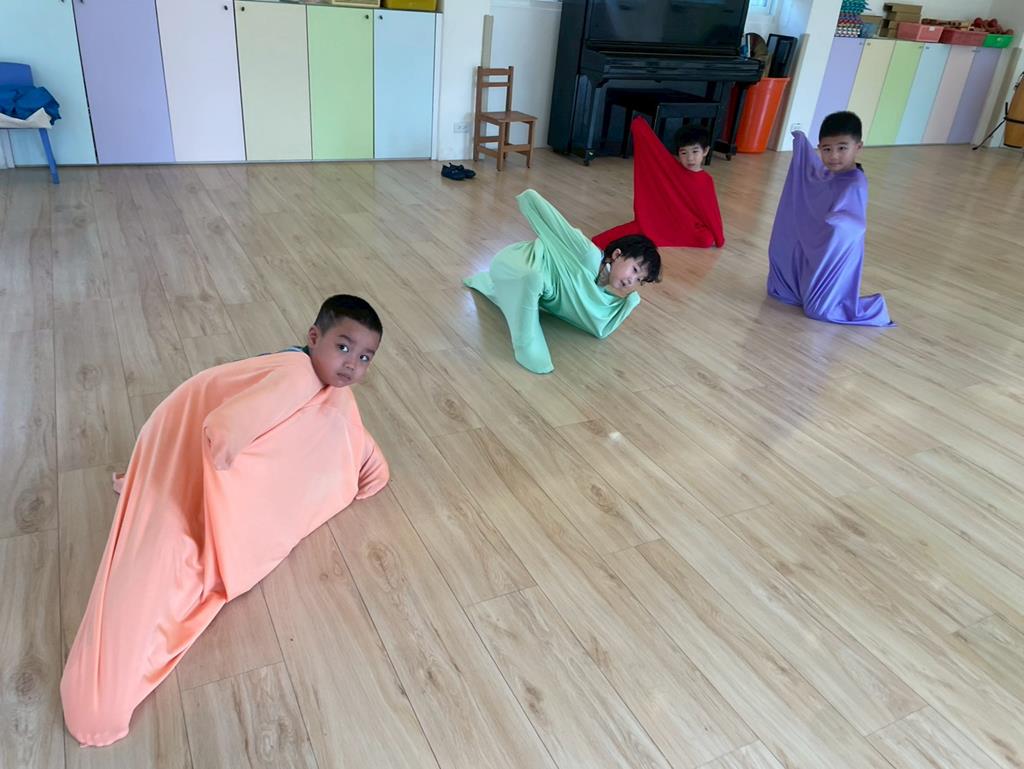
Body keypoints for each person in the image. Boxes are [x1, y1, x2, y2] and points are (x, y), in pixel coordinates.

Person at [61, 295, 390, 747]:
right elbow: (231, 423)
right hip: (189, 441)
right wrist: (227, 448)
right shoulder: (296, 375)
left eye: (366, 357)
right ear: (314, 338)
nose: (352, 364)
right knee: (165, 566)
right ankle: (101, 699)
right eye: (344, 347)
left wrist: (371, 469)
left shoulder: (333, 391)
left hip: (197, 433)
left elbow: (351, 434)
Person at [465, 188, 661, 374]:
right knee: (533, 277)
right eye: (634, 270)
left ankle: (498, 286)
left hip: (526, 279)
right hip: (515, 263)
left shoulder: (600, 289)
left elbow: (595, 323)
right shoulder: (588, 254)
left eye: (639, 280)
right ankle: (526, 344)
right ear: (617, 255)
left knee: (534, 281)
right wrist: (530, 198)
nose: (632, 280)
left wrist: (625, 306)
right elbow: (556, 225)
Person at [767, 111, 893, 326]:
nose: (833, 156)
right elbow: (812, 175)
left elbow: (857, 223)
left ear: (858, 147)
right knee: (785, 283)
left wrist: (840, 219)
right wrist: (801, 146)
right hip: (821, 243)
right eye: (826, 149)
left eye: (842, 148)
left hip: (838, 252)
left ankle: (875, 308)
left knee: (820, 310)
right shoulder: (830, 174)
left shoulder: (855, 183)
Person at [593, 117, 725, 250]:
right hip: (663, 220)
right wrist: (639, 127)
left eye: (695, 151)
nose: (690, 158)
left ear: (705, 151)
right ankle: (594, 244)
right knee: (638, 229)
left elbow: (711, 213)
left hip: (686, 225)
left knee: (706, 239)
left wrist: (719, 238)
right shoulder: (672, 169)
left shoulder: (706, 181)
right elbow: (654, 150)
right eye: (684, 152)